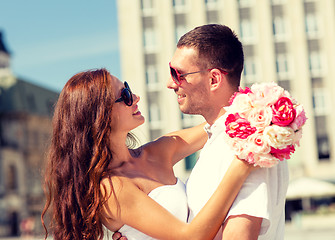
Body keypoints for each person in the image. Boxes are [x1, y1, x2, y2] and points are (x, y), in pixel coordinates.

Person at [41, 68, 256, 240]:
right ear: (100, 116)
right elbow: (191, 236)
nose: (135, 97)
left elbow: (221, 125)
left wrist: (265, 107)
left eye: (128, 88)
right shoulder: (112, 189)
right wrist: (241, 166)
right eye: (124, 95)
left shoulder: (157, 151)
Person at [166, 24, 289, 240]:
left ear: (214, 79)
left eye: (178, 74)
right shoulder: (219, 137)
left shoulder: (251, 143)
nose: (170, 83)